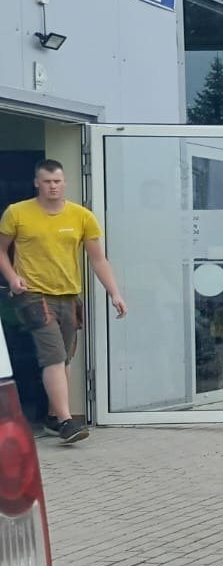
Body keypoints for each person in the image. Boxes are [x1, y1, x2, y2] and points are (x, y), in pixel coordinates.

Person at [0, 158, 126, 443]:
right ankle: (68, 422)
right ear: (37, 183)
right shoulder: (17, 213)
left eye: (57, 181)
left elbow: (98, 259)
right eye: (47, 182)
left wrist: (115, 293)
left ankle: (54, 418)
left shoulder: (81, 216)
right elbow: (1, 251)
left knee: (64, 359)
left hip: (69, 294)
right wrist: (12, 277)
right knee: (54, 356)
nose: (53, 186)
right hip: (32, 293)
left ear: (64, 182)